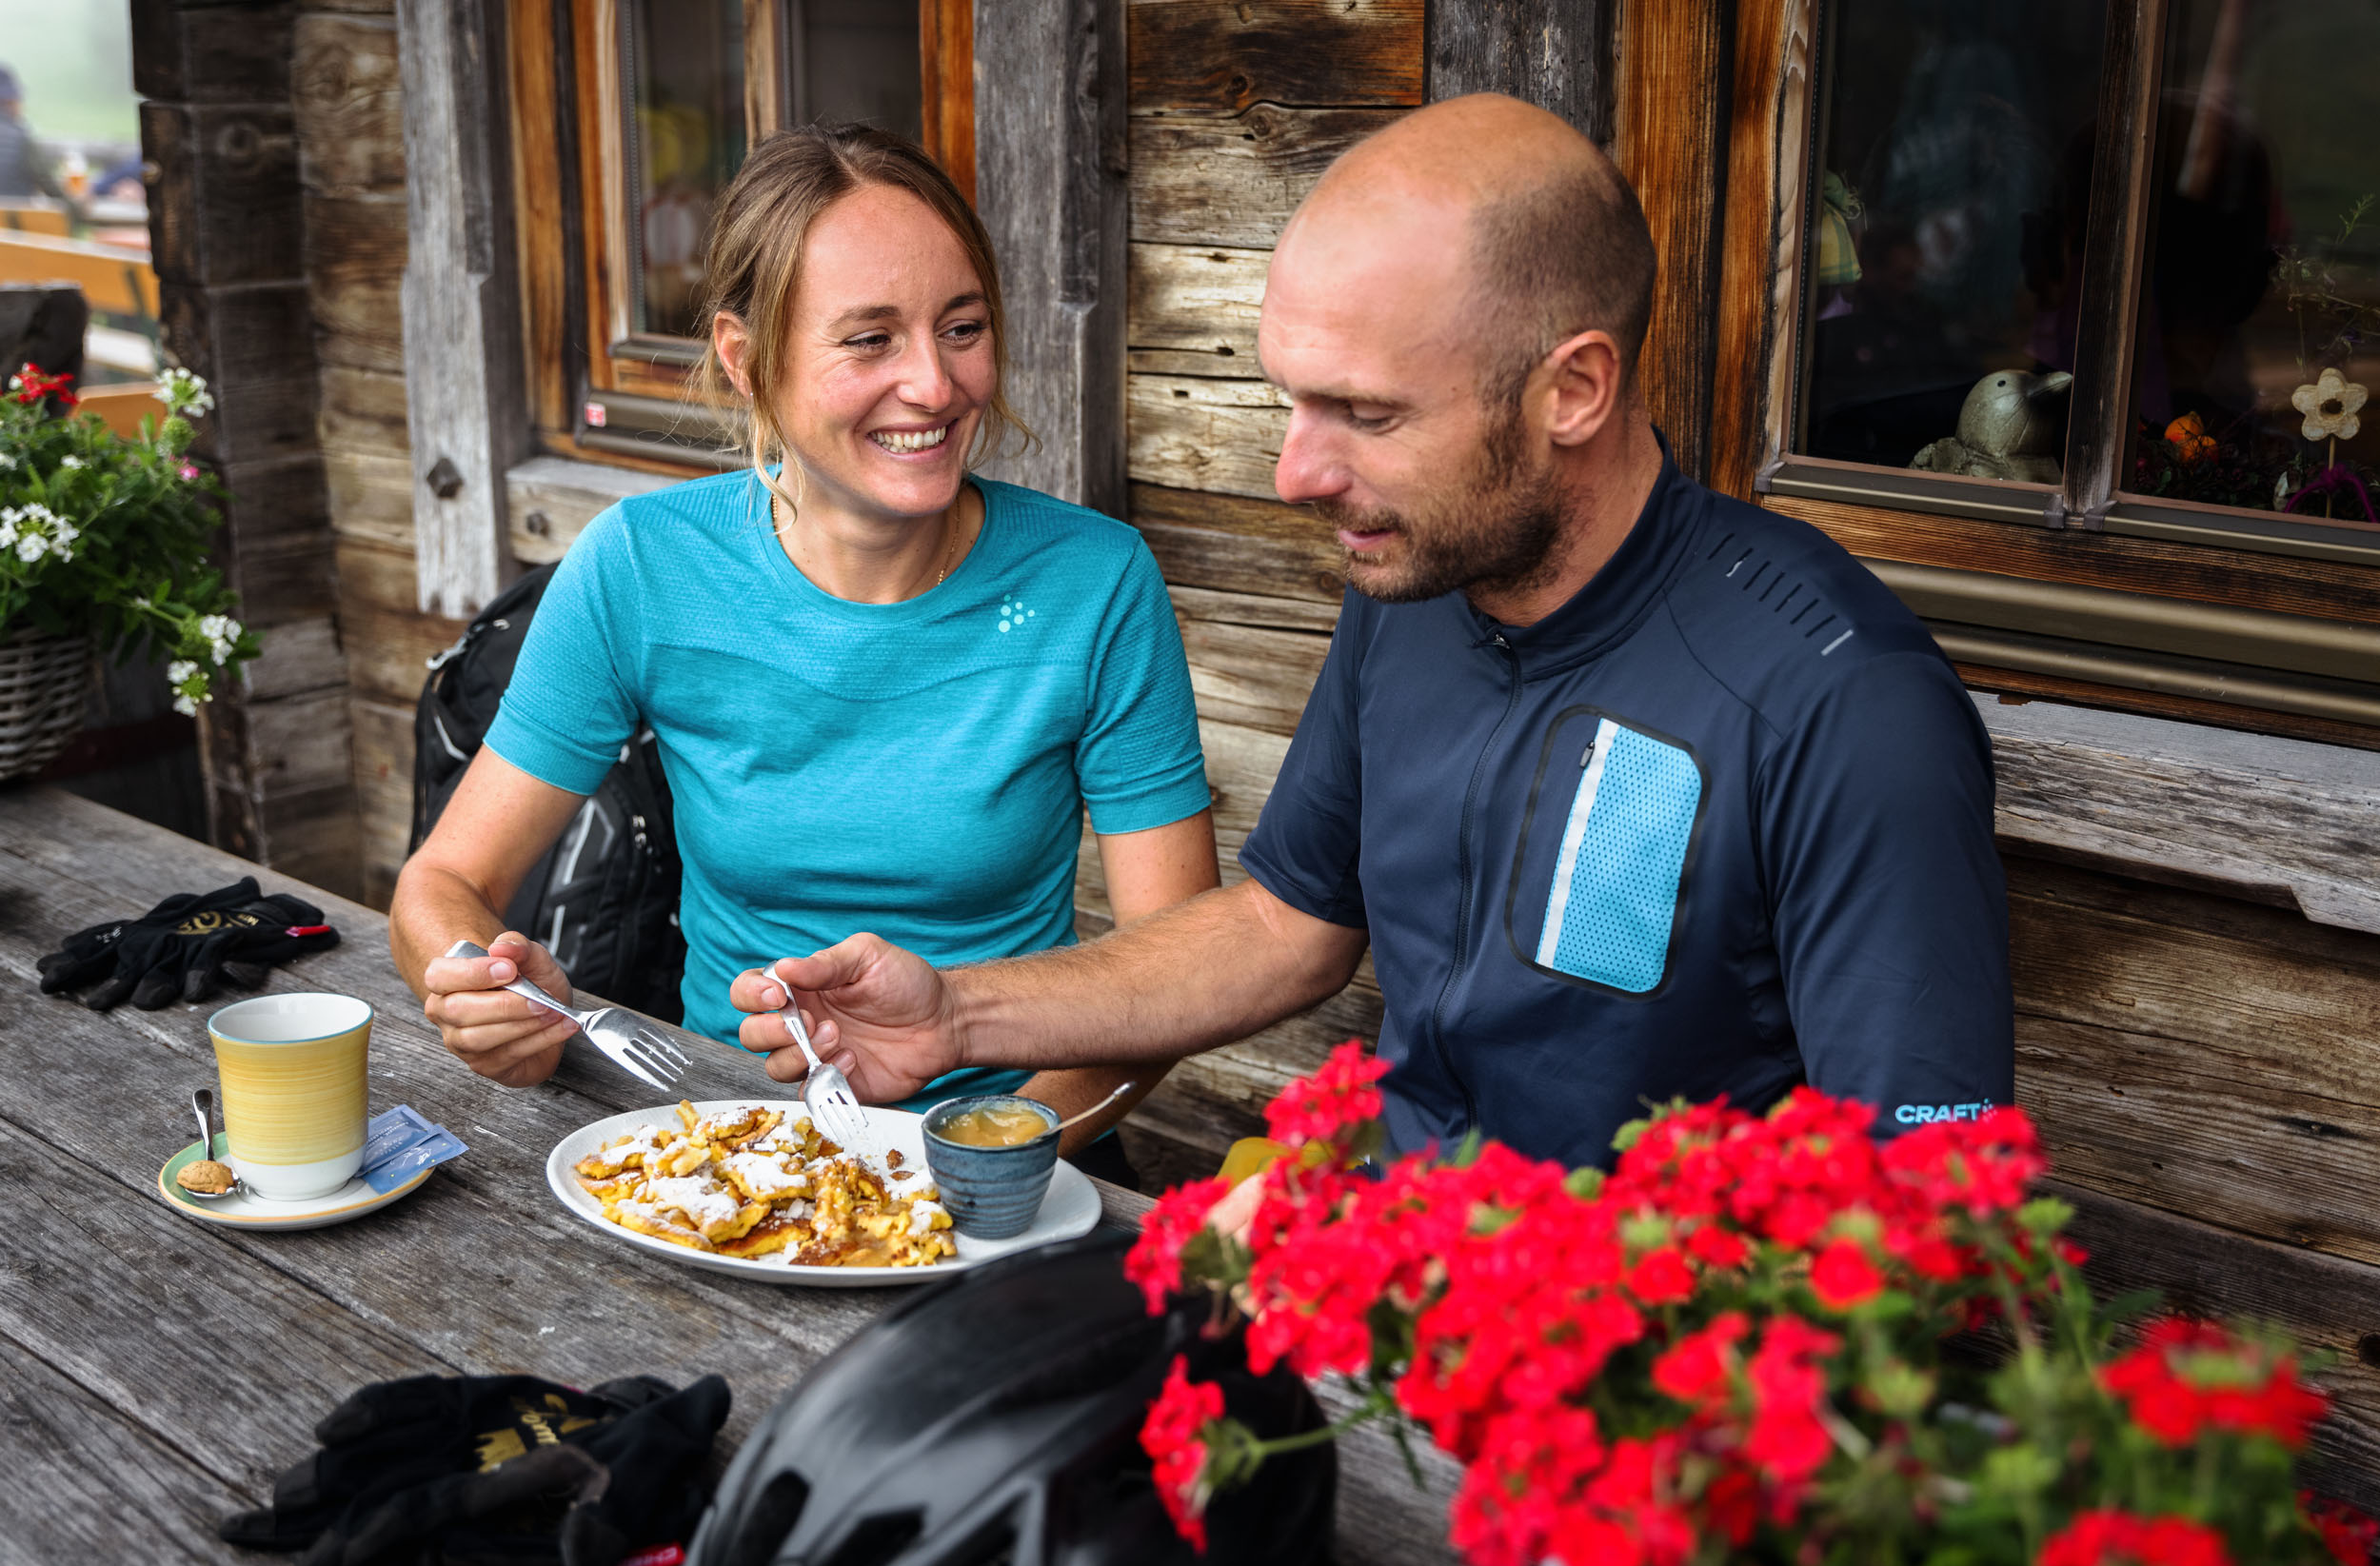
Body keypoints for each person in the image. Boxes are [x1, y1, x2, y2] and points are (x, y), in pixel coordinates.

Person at [728, 94, 2014, 1172]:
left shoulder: (1842, 708)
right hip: (1381, 1311)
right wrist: (957, 1013)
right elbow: (1286, 922)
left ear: (1574, 388)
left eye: (1366, 413)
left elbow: (1929, 1214)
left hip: (1634, 1407)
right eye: (1290, 398)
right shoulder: (1416, 581)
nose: (1295, 472)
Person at [391, 125, 1219, 1179]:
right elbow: (443, 881)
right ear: (747, 361)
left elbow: (1179, 972)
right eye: (869, 339)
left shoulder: (1093, 583)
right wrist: (476, 978)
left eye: (961, 326)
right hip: (720, 1139)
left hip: (1012, 1152)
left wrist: (966, 1162)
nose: (934, 383)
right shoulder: (643, 565)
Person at [0, 66, 69, 206]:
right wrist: (78, 207)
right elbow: (49, 185)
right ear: (11, 102)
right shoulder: (21, 139)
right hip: (14, 224)